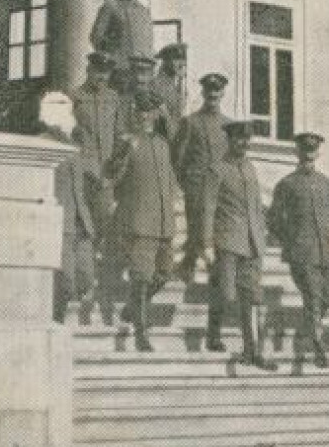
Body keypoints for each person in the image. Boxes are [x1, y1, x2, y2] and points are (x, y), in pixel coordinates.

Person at [106, 89, 181, 351]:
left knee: (165, 274)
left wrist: (168, 116)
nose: (144, 116)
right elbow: (112, 175)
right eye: (140, 111)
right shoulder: (128, 141)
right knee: (141, 279)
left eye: (149, 111)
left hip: (163, 224)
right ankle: (141, 332)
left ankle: (131, 310)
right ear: (134, 114)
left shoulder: (163, 144)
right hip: (139, 223)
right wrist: (122, 152)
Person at [199, 120, 277, 370]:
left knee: (252, 297)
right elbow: (208, 208)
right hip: (228, 241)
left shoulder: (251, 168)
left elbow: (256, 206)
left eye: (246, 140)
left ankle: (252, 350)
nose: (243, 144)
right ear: (229, 141)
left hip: (253, 242)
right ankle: (213, 335)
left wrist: (262, 234)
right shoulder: (217, 169)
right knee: (225, 293)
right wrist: (207, 243)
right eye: (238, 139)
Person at [266, 131, 329, 368]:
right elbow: (273, 220)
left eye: (312, 151)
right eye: (304, 152)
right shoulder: (287, 185)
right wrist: (291, 239)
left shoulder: (325, 182)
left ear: (317, 153)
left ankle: (309, 329)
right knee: (314, 296)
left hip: (326, 250)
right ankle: (318, 346)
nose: (308, 156)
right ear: (297, 153)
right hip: (302, 252)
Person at [71, 51, 126, 302]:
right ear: (89, 70)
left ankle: (103, 283)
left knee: (105, 228)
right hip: (82, 173)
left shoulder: (114, 99)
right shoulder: (75, 97)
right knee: (84, 227)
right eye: (97, 72)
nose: (101, 77)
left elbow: (119, 135)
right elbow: (65, 132)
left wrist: (116, 167)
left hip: (106, 176)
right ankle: (84, 281)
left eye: (106, 74)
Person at [39, 90, 96, 325]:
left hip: (80, 222)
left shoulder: (74, 145)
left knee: (86, 276)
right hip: (58, 222)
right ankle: (56, 322)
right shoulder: (42, 143)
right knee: (65, 279)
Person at [172, 73, 231, 277]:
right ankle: (190, 263)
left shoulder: (228, 125)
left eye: (217, 91)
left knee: (215, 227)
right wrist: (187, 182)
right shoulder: (191, 122)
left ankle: (204, 265)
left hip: (220, 186)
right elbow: (179, 157)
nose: (213, 95)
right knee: (196, 224)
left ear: (222, 93)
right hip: (196, 184)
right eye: (209, 91)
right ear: (203, 93)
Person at [90, 0, 154, 86]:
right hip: (120, 71)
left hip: (143, 73)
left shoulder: (144, 11)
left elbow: (149, 42)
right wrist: (113, 54)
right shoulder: (110, 8)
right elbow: (96, 37)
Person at [149, 43, 189, 125]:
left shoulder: (176, 85)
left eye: (183, 60)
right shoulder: (155, 85)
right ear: (165, 61)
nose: (182, 64)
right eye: (176, 59)